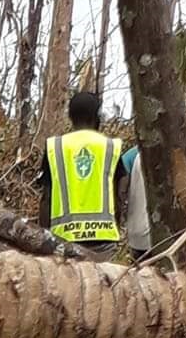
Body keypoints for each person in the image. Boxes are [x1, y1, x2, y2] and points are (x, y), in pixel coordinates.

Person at [39, 91, 128, 259]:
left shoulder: (55, 147)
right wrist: (117, 221)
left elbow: (46, 198)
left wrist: (44, 238)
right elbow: (119, 193)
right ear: (97, 116)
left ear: (70, 116)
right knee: (103, 284)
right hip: (102, 241)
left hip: (63, 240)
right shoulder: (110, 147)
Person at [122, 145, 152, 262]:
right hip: (169, 236)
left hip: (138, 234)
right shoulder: (175, 152)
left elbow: (120, 191)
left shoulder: (131, 156)